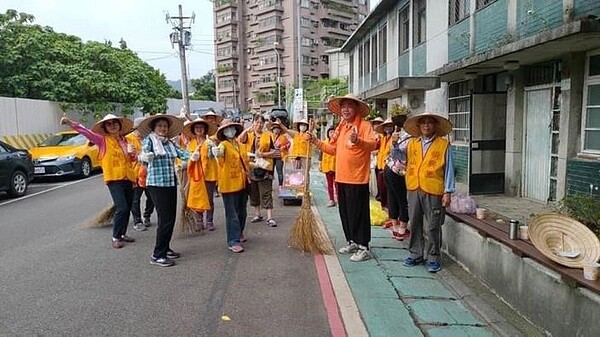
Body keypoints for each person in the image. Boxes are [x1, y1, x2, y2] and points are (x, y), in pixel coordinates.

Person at [305, 94, 378, 262]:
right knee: (345, 212)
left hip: (358, 178)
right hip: (341, 177)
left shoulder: (365, 126)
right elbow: (332, 149)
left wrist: (358, 140)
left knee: (358, 213)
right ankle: (351, 241)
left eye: (349, 106)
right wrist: (316, 141)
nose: (345, 109)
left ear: (356, 109)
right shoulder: (342, 127)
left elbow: (373, 145)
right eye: (343, 106)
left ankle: (363, 246)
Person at [61, 113, 137, 249]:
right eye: (109, 124)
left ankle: (123, 233)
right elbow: (87, 133)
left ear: (119, 125)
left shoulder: (126, 141)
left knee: (128, 207)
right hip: (114, 179)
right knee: (122, 208)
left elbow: (132, 160)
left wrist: (132, 154)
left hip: (129, 177)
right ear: (105, 128)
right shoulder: (103, 141)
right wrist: (71, 123)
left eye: (115, 123)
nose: (112, 125)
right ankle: (116, 236)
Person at [401, 112, 455, 273]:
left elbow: (449, 169)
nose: (426, 125)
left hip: (434, 190)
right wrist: (395, 145)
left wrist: (448, 192)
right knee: (415, 222)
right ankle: (416, 254)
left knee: (433, 226)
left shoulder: (443, 144)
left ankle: (433, 257)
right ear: (418, 126)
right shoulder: (411, 143)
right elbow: (398, 158)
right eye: (423, 123)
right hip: (413, 188)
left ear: (435, 126)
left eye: (429, 123)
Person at [138, 114, 187, 267]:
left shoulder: (170, 143)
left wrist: (195, 156)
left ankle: (165, 248)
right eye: (159, 126)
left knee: (170, 218)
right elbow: (142, 155)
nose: (163, 128)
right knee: (165, 219)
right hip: (156, 185)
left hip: (170, 183)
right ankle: (157, 255)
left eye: (165, 126)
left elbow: (182, 153)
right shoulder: (149, 141)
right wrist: (146, 156)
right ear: (153, 128)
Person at [211, 119, 249, 253]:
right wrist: (217, 153)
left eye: (232, 128)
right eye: (227, 129)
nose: (230, 130)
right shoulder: (223, 145)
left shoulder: (240, 144)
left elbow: (245, 161)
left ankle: (239, 232)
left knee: (242, 211)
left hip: (242, 182)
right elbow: (220, 155)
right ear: (223, 132)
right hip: (228, 184)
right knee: (232, 214)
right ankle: (233, 240)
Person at [239, 114, 278, 227]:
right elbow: (240, 140)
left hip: (265, 167)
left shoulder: (268, 136)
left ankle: (270, 217)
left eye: (261, 122)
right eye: (257, 122)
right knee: (253, 192)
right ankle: (257, 214)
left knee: (266, 191)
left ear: (264, 124)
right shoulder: (248, 135)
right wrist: (247, 129)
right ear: (253, 123)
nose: (259, 125)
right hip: (251, 167)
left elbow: (275, 152)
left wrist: (263, 154)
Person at [182, 118, 218, 232]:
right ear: (193, 129)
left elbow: (214, 157)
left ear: (205, 129)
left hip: (209, 174)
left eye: (201, 127)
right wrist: (193, 157)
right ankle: (199, 221)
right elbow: (187, 158)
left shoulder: (210, 142)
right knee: (197, 197)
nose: (199, 129)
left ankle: (209, 221)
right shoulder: (191, 144)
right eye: (197, 127)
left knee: (209, 198)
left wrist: (213, 150)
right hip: (196, 175)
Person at [380, 116, 411, 241]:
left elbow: (393, 153)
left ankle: (395, 227)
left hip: (389, 168)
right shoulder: (411, 138)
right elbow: (400, 155)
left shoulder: (400, 136)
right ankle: (401, 230)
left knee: (392, 197)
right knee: (402, 199)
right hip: (398, 172)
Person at [126, 117, 155, 231]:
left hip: (149, 172)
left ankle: (147, 215)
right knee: (135, 198)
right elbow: (127, 156)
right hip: (135, 173)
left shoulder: (149, 138)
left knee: (152, 197)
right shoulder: (128, 139)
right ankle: (137, 221)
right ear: (137, 128)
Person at [374, 117, 394, 211]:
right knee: (381, 188)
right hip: (380, 166)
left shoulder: (394, 138)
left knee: (389, 189)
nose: (388, 128)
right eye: (386, 126)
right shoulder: (382, 138)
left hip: (389, 167)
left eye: (390, 126)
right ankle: (384, 206)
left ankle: (390, 209)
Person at [268, 121, 291, 189]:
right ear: (272, 130)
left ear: (280, 130)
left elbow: (289, 143)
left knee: (279, 172)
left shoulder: (283, 137)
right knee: (270, 172)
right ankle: (269, 186)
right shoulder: (270, 136)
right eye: (275, 129)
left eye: (278, 129)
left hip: (279, 157)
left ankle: (280, 185)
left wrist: (284, 147)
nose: (276, 130)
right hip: (271, 156)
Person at [320, 125, 337, 207]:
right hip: (327, 166)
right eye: (330, 132)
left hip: (336, 167)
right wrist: (320, 165)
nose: (332, 134)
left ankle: (339, 200)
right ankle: (331, 200)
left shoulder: (338, 143)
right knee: (329, 184)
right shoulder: (324, 142)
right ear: (328, 134)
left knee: (337, 185)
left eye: (334, 132)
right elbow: (321, 155)